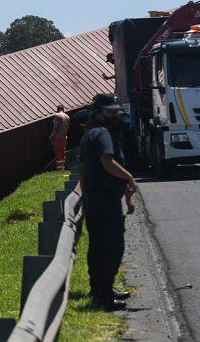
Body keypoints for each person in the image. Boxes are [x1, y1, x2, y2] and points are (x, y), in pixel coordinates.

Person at [79, 93, 138, 311]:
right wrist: (129, 177)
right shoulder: (103, 134)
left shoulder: (88, 135)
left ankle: (100, 291)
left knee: (97, 247)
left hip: (94, 200)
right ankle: (103, 296)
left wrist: (85, 198)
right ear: (98, 113)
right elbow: (107, 161)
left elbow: (83, 171)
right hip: (105, 200)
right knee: (113, 247)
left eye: (116, 111)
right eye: (110, 111)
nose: (114, 115)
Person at [50, 105, 70, 170]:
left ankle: (59, 168)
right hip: (64, 138)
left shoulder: (57, 115)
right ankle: (63, 167)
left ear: (57, 109)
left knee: (58, 153)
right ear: (63, 109)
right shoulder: (67, 117)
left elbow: (55, 128)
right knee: (62, 153)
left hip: (58, 138)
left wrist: (52, 136)